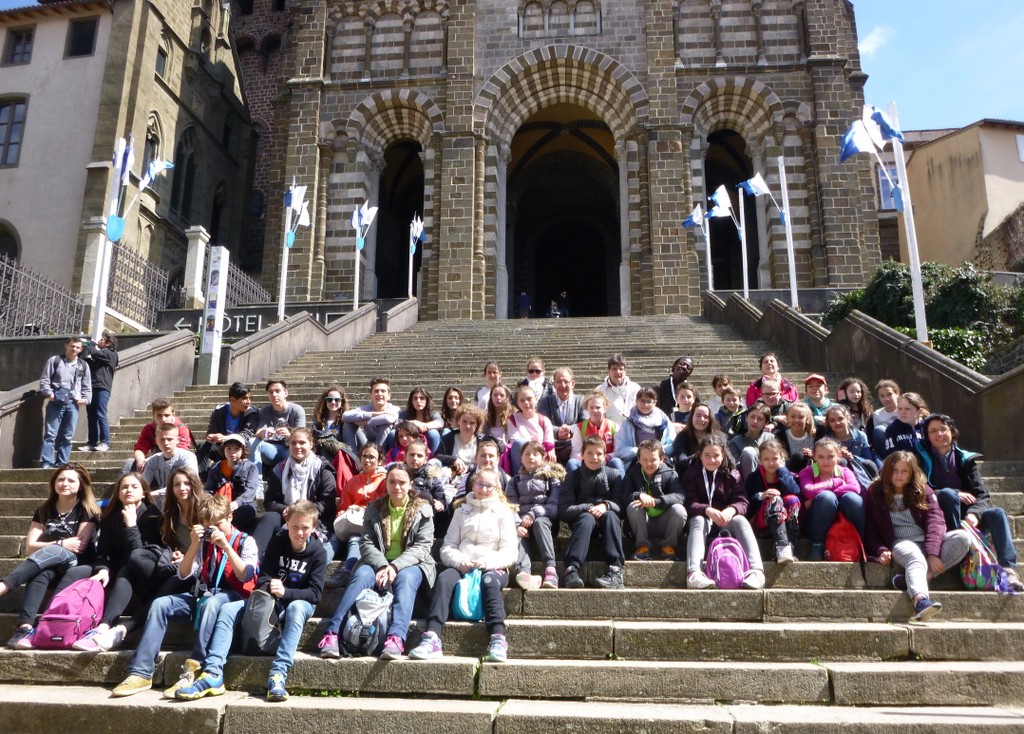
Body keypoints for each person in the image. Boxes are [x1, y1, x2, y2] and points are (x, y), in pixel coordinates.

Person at [176, 500, 327, 702]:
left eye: (305, 528)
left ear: (314, 528)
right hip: (271, 598)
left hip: (299, 601)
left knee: (296, 609)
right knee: (229, 609)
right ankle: (213, 673)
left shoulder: (318, 552)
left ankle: (278, 673)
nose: (299, 533)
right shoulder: (278, 542)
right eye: (294, 527)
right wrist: (272, 593)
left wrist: (286, 593)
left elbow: (315, 594)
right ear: (286, 523)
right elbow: (262, 578)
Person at [112, 494, 259, 697]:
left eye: (219, 524)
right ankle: (141, 672)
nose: (214, 530)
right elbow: (183, 573)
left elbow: (246, 575)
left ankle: (195, 668)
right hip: (205, 596)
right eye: (209, 525)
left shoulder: (245, 541)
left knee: (214, 602)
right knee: (161, 604)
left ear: (230, 517)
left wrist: (225, 546)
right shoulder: (204, 543)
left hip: (235, 598)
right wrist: (193, 545)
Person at [319, 465, 435, 660]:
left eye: (402, 482)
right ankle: (332, 634)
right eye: (392, 482)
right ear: (386, 483)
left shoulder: (423, 509)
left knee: (406, 578)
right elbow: (366, 542)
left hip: (412, 564)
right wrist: (382, 565)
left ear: (410, 484)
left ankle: (396, 637)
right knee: (362, 575)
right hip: (377, 562)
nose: (397, 487)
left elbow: (422, 547)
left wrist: (394, 566)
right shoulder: (374, 508)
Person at [407, 468, 518, 663]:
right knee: (444, 578)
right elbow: (448, 545)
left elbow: (510, 552)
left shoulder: (503, 513)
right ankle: (432, 636)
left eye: (488, 485)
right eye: (479, 484)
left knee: (490, 581)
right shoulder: (461, 511)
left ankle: (498, 638)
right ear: (473, 484)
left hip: (493, 565)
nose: (482, 489)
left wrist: (486, 563)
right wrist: (459, 561)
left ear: (497, 488)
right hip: (462, 564)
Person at [914, 413, 1024, 591]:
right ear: (927, 435)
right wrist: (956, 493)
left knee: (997, 513)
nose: (939, 434)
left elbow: (982, 494)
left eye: (943, 429)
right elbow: (920, 488)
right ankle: (961, 547)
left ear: (952, 432)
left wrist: (974, 513)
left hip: (968, 518)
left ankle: (1007, 568)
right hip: (941, 519)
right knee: (948, 495)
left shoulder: (965, 458)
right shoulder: (919, 457)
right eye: (933, 431)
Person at [864, 451, 973, 621]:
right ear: (887, 471)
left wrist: (932, 553)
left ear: (912, 473)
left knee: (963, 538)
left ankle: (910, 582)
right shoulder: (875, 492)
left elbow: (936, 522)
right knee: (915, 557)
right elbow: (870, 528)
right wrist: (880, 550)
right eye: (894, 470)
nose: (898, 475)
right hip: (901, 543)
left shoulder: (923, 490)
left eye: (904, 471)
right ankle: (921, 600)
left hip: (928, 541)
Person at [0, 463, 100, 648]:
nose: (65, 483)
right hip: (49, 564)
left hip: (79, 563)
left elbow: (78, 546)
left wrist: (56, 546)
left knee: (55, 551)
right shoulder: (44, 510)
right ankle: (26, 627)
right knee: (39, 573)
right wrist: (60, 543)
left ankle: (5, 584)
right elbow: (30, 547)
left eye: (71, 480)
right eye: (61, 479)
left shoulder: (88, 511)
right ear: (54, 483)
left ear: (81, 485)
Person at [61, 472, 161, 652]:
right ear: (118, 492)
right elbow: (105, 551)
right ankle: (56, 619)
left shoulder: (153, 516)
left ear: (144, 492)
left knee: (126, 570)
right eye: (124, 487)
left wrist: (131, 526)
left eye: (134, 486)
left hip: (144, 573)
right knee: (77, 572)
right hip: (116, 568)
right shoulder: (110, 517)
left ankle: (104, 626)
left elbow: (139, 555)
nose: (128, 490)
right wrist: (103, 569)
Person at [683, 436, 765, 589]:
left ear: (723, 456)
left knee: (740, 520)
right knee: (698, 521)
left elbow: (742, 501)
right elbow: (688, 502)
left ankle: (757, 572)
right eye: (707, 455)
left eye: (716, 455)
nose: (711, 460)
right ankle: (694, 573)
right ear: (700, 455)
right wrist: (706, 509)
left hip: (724, 521)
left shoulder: (733, 474)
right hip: (702, 519)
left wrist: (731, 510)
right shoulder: (691, 474)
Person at [256, 428, 337, 564]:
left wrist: (301, 512)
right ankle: (253, 559)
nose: (297, 447)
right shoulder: (279, 469)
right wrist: (284, 510)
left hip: (315, 520)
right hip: (286, 517)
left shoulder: (323, 469)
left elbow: (327, 503)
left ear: (311, 444)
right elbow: (269, 502)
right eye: (293, 443)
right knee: (268, 517)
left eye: (302, 443)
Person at [559, 436, 626, 589]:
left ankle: (615, 571)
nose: (594, 458)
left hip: (608, 525)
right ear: (581, 455)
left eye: (598, 453)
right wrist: (587, 508)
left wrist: (606, 505)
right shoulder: (572, 477)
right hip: (582, 524)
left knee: (610, 515)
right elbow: (564, 510)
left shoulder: (614, 475)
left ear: (605, 456)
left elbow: (621, 507)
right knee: (587, 517)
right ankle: (571, 570)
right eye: (589, 453)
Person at [325, 442, 387, 589]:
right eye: (364, 456)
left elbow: (384, 506)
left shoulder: (384, 481)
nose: (367, 460)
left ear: (379, 461)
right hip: (351, 521)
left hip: (371, 525)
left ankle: (345, 572)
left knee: (354, 539)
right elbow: (342, 506)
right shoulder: (353, 481)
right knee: (333, 540)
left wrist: (363, 509)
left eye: (372, 457)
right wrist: (345, 513)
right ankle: (315, 566)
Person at [505, 441, 564, 589]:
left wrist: (533, 513)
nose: (531, 457)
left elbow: (553, 506)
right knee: (518, 532)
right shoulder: (514, 481)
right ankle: (523, 572)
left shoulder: (551, 478)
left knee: (539, 522)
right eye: (527, 454)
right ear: (520, 458)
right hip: (523, 522)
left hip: (546, 522)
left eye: (535, 454)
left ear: (543, 458)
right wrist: (517, 524)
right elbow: (511, 507)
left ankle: (551, 570)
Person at [797, 437, 863, 561]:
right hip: (815, 521)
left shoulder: (845, 471)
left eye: (830, 456)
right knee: (826, 497)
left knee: (853, 499)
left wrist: (830, 493)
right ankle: (817, 545)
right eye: (821, 457)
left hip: (840, 519)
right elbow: (809, 491)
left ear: (838, 455)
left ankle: (860, 542)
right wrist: (835, 483)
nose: (825, 461)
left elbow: (855, 488)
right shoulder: (808, 471)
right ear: (814, 457)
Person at [622, 440, 686, 560]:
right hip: (642, 523)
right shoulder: (632, 474)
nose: (649, 464)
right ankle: (643, 547)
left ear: (661, 458)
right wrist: (638, 496)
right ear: (639, 459)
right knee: (633, 506)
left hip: (665, 522)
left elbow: (680, 496)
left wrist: (657, 501)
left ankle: (668, 547)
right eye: (645, 459)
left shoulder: (670, 473)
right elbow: (624, 496)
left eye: (653, 459)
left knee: (679, 510)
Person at [745, 439, 801, 566]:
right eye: (766, 459)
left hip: (785, 522)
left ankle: (789, 546)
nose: (771, 463)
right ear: (760, 460)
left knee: (792, 500)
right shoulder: (754, 477)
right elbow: (749, 507)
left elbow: (795, 491)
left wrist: (782, 471)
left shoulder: (786, 474)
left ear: (782, 458)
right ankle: (782, 546)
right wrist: (761, 496)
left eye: (775, 458)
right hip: (761, 523)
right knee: (775, 500)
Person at [39, 337, 91, 468]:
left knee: (67, 436)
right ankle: (47, 462)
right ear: (66, 346)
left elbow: (87, 386)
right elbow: (45, 380)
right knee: (50, 434)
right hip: (56, 402)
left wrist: (85, 399)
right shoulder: (55, 361)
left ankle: (62, 463)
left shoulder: (83, 365)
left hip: (73, 404)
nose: (74, 349)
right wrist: (49, 393)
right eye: (72, 346)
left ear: (81, 349)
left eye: (78, 347)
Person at [203, 434, 264, 548]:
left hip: (241, 506)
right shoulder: (217, 467)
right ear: (223, 450)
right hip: (219, 506)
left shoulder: (250, 467)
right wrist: (211, 502)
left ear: (243, 450)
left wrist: (237, 503)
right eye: (229, 448)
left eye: (236, 449)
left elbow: (251, 490)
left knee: (247, 511)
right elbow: (209, 489)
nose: (232, 452)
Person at [251, 379, 307, 478]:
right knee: (252, 442)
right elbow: (258, 433)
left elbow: (302, 436)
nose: (274, 395)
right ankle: (257, 487)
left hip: (290, 449)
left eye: (277, 391)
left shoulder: (297, 410)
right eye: (271, 392)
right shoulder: (264, 411)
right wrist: (264, 432)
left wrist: (290, 435)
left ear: (285, 393)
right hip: (271, 449)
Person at [124, 398, 194, 474]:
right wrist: (140, 459)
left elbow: (181, 452)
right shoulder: (148, 429)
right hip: (155, 463)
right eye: (159, 416)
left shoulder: (182, 429)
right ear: (153, 416)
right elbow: (140, 447)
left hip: (175, 463)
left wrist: (151, 459)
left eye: (167, 415)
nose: (163, 419)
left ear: (173, 415)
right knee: (129, 463)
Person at [614, 386, 675, 466]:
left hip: (659, 462)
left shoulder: (664, 420)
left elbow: (672, 445)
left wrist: (656, 452)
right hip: (634, 462)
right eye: (642, 401)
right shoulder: (628, 421)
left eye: (649, 401)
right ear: (636, 401)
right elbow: (619, 449)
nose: (645, 404)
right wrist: (640, 452)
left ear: (655, 402)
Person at [200, 382, 258, 465]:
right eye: (245, 398)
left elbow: (248, 434)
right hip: (222, 449)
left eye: (250, 398)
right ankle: (201, 475)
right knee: (203, 446)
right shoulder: (219, 411)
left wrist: (226, 438)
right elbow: (212, 429)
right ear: (233, 400)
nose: (248, 402)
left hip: (241, 450)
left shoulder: (251, 413)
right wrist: (211, 436)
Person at [538, 367, 587, 466]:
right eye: (559, 382)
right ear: (554, 384)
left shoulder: (581, 401)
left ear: (573, 384)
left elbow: (585, 422)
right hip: (551, 446)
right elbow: (540, 423)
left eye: (566, 381)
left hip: (574, 445)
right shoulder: (545, 402)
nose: (563, 385)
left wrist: (570, 430)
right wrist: (557, 431)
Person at [567, 391, 624, 475]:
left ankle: (621, 488)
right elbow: (576, 452)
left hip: (606, 463)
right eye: (591, 407)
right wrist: (587, 461)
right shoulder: (580, 427)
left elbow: (618, 451)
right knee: (572, 463)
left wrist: (605, 459)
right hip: (586, 463)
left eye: (598, 407)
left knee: (617, 462)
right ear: (587, 408)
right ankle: (574, 488)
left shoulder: (614, 426)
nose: (594, 410)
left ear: (605, 408)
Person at [506, 385, 556, 474]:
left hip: (539, 455)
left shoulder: (544, 420)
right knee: (519, 443)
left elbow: (549, 443)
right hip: (521, 456)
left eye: (529, 399)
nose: (526, 403)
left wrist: (549, 450)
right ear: (517, 403)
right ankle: (519, 477)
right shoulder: (513, 419)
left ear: (536, 399)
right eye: (522, 400)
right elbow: (515, 442)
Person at [81, 331, 118, 452]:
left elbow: (94, 352)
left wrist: (91, 343)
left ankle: (105, 442)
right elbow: (88, 362)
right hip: (92, 387)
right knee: (91, 415)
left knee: (100, 414)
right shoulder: (100, 357)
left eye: (101, 339)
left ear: (108, 343)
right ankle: (92, 442)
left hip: (102, 387)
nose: (99, 342)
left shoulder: (111, 354)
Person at [141, 422, 200, 496]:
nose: (166, 443)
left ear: (178, 440)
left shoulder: (187, 457)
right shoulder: (153, 460)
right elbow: (143, 484)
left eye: (169, 439)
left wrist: (151, 494)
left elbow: (189, 484)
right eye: (162, 440)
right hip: (161, 502)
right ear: (156, 441)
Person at [342, 376, 400, 450]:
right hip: (367, 444)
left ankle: (378, 457)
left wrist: (365, 422)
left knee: (386, 424)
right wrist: (374, 414)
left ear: (389, 396)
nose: (379, 394)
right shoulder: (366, 408)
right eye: (376, 391)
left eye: (383, 391)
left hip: (386, 447)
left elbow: (388, 419)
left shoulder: (394, 409)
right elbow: (345, 416)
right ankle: (352, 458)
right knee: (348, 424)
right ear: (370, 395)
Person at [671, 402, 727, 473]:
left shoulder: (719, 437)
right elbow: (681, 462)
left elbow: (727, 459)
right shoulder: (682, 437)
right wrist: (701, 455)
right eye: (698, 416)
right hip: (691, 478)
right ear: (691, 417)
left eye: (706, 417)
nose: (702, 419)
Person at [435, 404, 488, 475]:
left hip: (476, 476)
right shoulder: (448, 438)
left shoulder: (482, 441)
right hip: (452, 476)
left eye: (472, 423)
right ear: (458, 421)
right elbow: (438, 456)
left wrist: (469, 468)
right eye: (464, 421)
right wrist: (454, 460)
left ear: (477, 425)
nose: (468, 426)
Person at [728, 401, 773, 481]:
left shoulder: (771, 438)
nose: (755, 421)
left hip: (768, 479)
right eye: (752, 417)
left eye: (760, 419)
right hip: (745, 482)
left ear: (765, 423)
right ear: (746, 418)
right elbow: (736, 468)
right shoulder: (735, 442)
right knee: (749, 452)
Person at [597, 353, 640, 424]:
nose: (618, 372)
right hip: (609, 431)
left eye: (621, 369)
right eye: (614, 369)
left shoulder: (635, 388)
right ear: (608, 371)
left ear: (625, 371)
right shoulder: (600, 390)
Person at [882, 392, 929, 458]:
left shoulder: (927, 427)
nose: (902, 412)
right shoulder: (892, 429)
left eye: (907, 409)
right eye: (900, 409)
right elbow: (892, 457)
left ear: (919, 411)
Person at [400, 387, 444, 454]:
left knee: (433, 433)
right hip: (408, 440)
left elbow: (440, 423)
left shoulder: (433, 414)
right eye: (415, 398)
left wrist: (425, 425)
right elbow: (398, 424)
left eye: (422, 398)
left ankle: (433, 458)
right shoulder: (405, 414)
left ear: (427, 400)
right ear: (411, 401)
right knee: (392, 433)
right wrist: (414, 423)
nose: (418, 401)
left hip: (428, 440)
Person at [310, 384, 349, 460]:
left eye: (337, 400)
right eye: (329, 399)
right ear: (325, 402)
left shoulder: (345, 422)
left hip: (339, 457)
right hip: (320, 457)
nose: (333, 402)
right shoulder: (317, 422)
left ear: (342, 402)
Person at [776, 401, 815, 474]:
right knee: (798, 456)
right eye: (793, 417)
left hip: (814, 472)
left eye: (801, 417)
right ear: (787, 418)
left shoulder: (816, 435)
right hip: (791, 474)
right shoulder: (780, 436)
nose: (796, 420)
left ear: (807, 419)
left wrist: (813, 455)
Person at [866, 379, 901, 457]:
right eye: (882, 396)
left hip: (903, 444)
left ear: (897, 393)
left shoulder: (905, 410)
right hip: (887, 449)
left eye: (889, 394)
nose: (886, 399)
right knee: (879, 430)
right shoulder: (877, 415)